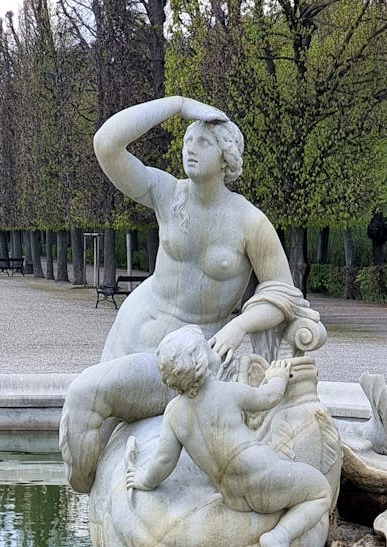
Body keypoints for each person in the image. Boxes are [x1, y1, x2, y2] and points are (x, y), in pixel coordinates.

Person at [61, 95, 322, 493]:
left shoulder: (250, 221)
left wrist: (238, 327)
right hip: (129, 335)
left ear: (227, 157)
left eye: (203, 142)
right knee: (90, 415)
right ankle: (90, 496)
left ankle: (87, 490)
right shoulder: (167, 194)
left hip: (182, 361)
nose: (189, 147)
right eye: (187, 139)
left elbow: (282, 294)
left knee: (84, 395)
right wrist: (177, 104)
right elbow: (106, 144)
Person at [124, 326, 333, 547]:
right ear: (202, 359)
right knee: (321, 491)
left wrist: (144, 480)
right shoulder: (225, 392)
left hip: (234, 496)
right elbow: (268, 397)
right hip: (263, 476)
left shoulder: (174, 413)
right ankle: (280, 536)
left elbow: (163, 462)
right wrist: (277, 376)